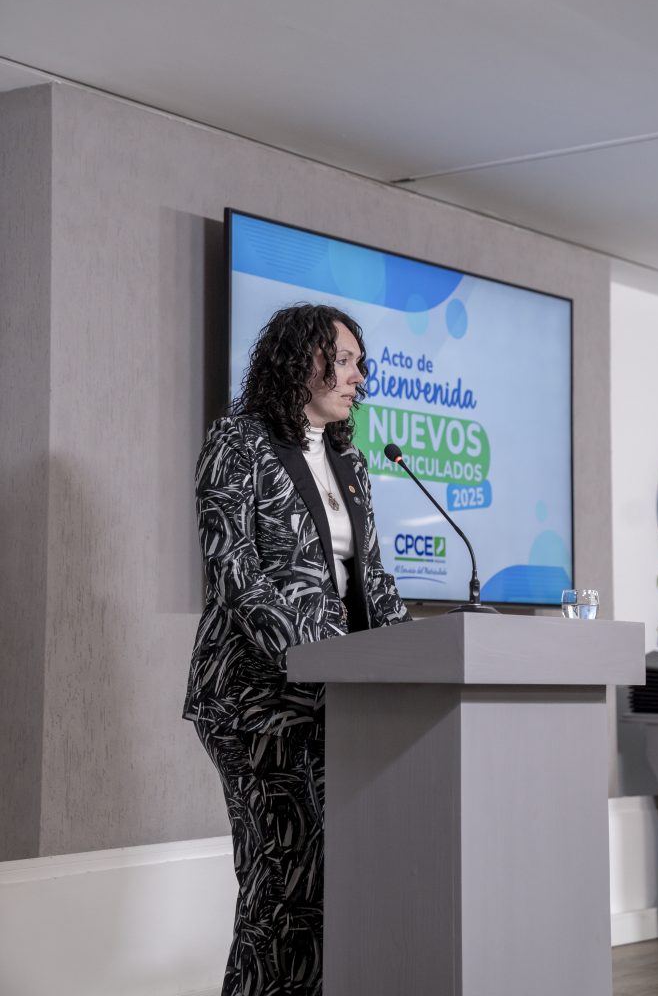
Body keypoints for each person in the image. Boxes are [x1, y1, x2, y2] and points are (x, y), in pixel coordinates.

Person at [183, 303, 411, 996]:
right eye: (344, 362)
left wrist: (418, 649)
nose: (359, 378)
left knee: (327, 881)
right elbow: (234, 573)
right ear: (299, 361)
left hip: (333, 699)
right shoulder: (238, 441)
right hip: (254, 699)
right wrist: (314, 656)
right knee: (280, 881)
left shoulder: (350, 461)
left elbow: (371, 580)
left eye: (360, 364)